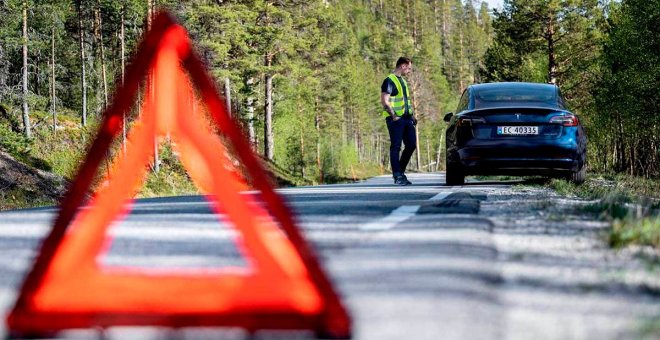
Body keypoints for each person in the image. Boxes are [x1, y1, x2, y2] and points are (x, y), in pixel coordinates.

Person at [381, 57, 417, 185]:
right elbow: (385, 101)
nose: (409, 71)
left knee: (411, 144)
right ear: (402, 66)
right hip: (395, 119)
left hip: (407, 119)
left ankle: (400, 172)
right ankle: (397, 175)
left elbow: (405, 101)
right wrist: (394, 116)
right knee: (396, 146)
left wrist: (412, 116)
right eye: (409, 68)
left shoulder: (403, 81)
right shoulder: (389, 80)